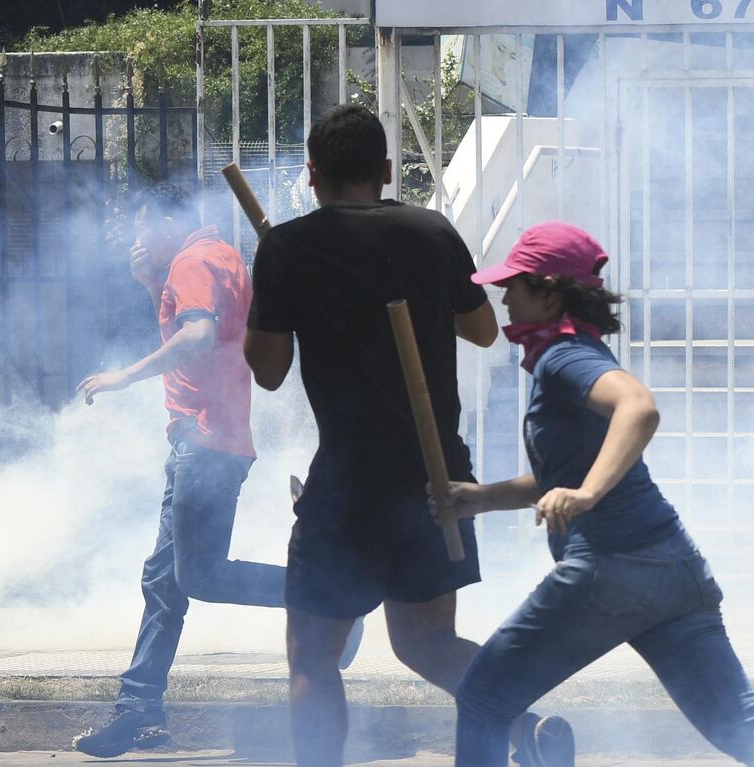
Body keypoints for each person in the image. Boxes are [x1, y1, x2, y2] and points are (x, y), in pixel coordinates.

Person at [436, 222, 754, 767]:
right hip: (673, 568)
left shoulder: (564, 357)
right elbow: (565, 476)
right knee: (743, 726)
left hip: (610, 567)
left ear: (549, 291)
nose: (503, 296)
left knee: (484, 698)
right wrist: (480, 498)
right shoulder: (574, 352)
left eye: (515, 284)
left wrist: (587, 496)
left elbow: (639, 408)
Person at [242, 105, 568, 767]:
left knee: (313, 654)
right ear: (386, 170)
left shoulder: (287, 247)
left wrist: (285, 298)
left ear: (313, 175)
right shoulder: (430, 230)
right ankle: (524, 722)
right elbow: (482, 329)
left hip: (347, 485)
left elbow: (268, 371)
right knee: (426, 643)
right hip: (434, 473)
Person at [70, 183, 360, 758]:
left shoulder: (192, 261)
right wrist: (153, 285)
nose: (137, 239)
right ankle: (140, 713)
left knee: (197, 577)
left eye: (145, 226)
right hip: (211, 441)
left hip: (205, 443)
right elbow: (212, 328)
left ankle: (331, 595)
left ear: (174, 223)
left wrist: (123, 377)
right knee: (165, 581)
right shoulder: (219, 256)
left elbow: (199, 336)